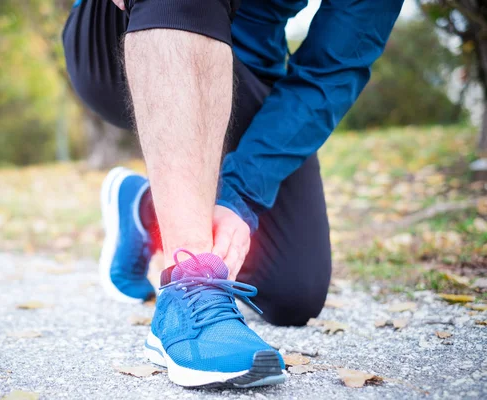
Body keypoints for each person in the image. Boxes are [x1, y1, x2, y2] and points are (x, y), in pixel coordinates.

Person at [63, 0, 403, 389]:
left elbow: (336, 66)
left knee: (293, 292)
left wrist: (240, 194)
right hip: (124, 29)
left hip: (249, 67)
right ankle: (188, 285)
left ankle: (145, 206)